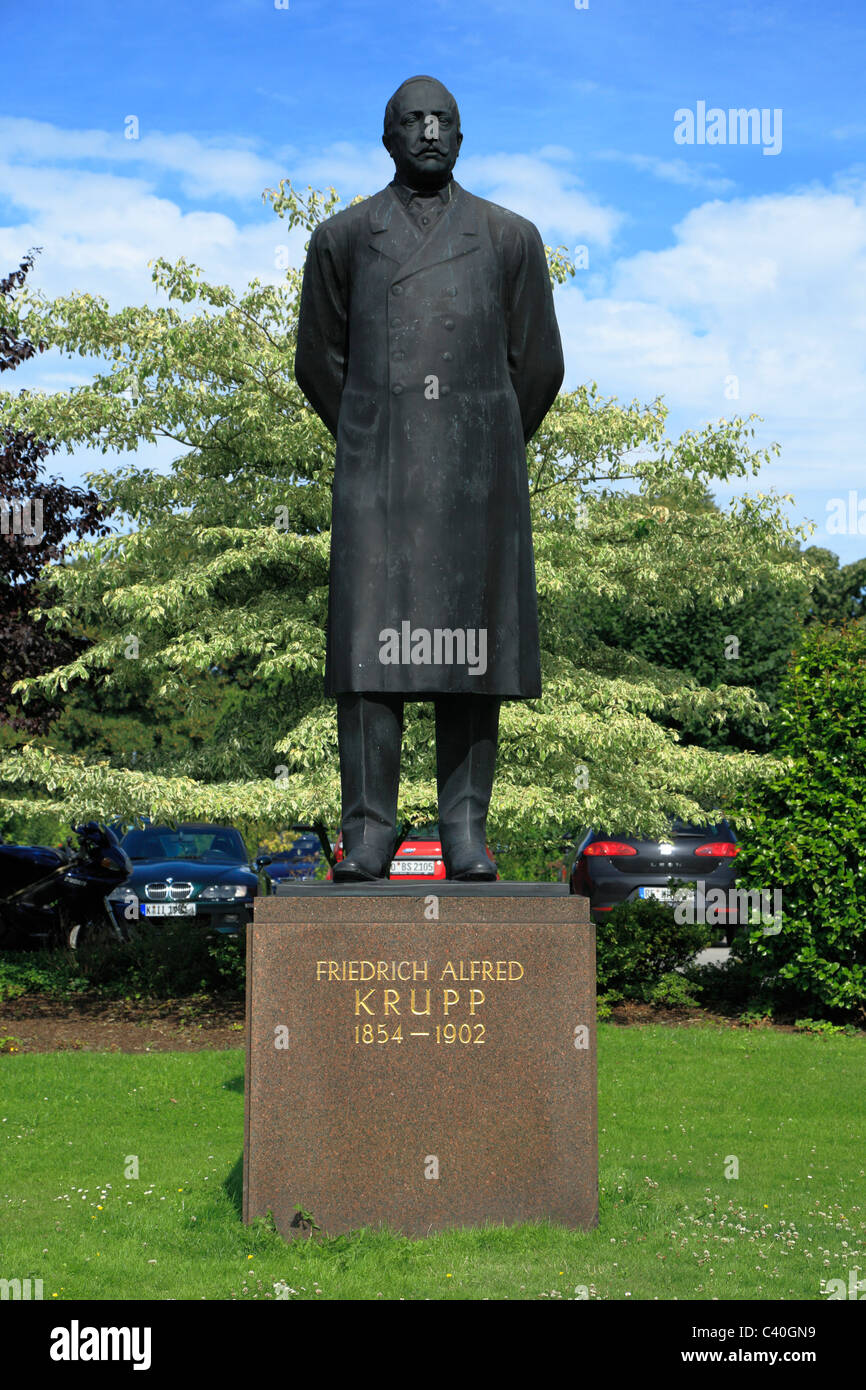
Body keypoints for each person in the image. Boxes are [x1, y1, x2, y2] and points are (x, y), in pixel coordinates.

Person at [295, 75, 564, 881]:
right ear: (387, 139)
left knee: (470, 655)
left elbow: (539, 363)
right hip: (378, 482)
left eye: (443, 120)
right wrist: (379, 436)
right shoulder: (343, 238)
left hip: (476, 483)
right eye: (412, 121)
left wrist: (480, 446)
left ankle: (465, 833)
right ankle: (369, 833)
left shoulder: (509, 236)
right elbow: (318, 362)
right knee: (370, 659)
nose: (429, 132)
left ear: (461, 135)